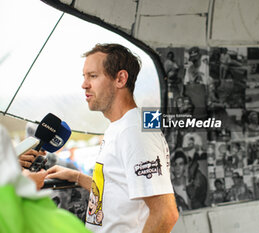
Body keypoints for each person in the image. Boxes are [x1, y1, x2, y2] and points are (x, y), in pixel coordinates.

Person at [44, 44, 178, 232]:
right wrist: (76, 176)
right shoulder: (120, 126)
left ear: (120, 79)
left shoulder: (134, 132)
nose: (84, 84)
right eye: (84, 77)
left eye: (93, 76)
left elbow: (165, 213)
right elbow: (117, 191)